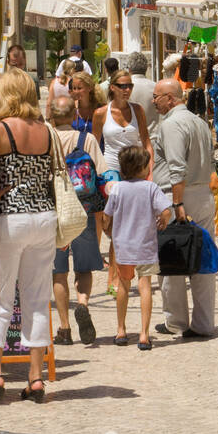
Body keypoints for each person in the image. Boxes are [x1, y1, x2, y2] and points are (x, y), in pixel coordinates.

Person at [0, 68, 57, 403]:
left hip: (9, 217)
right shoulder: (46, 130)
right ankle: (36, 376)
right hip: (44, 216)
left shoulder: (0, 129)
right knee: (37, 297)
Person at [152, 77, 216, 340]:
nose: (153, 101)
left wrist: (177, 204)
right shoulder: (199, 122)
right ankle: (204, 323)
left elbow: (176, 168)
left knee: (172, 258)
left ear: (171, 98)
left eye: (157, 96)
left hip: (179, 197)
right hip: (202, 194)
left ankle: (176, 322)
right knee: (202, 260)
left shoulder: (172, 125)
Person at [49, 96, 106, 345]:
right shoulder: (87, 139)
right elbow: (103, 175)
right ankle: (82, 303)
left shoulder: (43, 139)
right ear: (74, 116)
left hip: (54, 213)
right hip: (82, 212)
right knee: (83, 267)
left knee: (58, 272)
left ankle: (64, 328)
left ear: (50, 117)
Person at [103, 145, 170, 349]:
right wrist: (163, 221)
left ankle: (121, 330)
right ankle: (144, 334)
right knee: (145, 286)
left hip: (123, 247)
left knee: (123, 284)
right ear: (142, 167)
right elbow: (166, 210)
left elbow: (107, 216)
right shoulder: (151, 188)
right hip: (146, 246)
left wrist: (108, 232)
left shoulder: (118, 189)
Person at [93, 68, 153, 292]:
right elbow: (95, 144)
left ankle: (125, 274)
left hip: (136, 170)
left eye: (130, 86)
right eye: (123, 86)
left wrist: (150, 169)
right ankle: (115, 278)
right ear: (113, 88)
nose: (127, 90)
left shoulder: (138, 110)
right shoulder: (101, 113)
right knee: (117, 225)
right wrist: (99, 174)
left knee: (131, 224)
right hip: (112, 172)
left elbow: (146, 141)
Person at [127, 53, 158, 137]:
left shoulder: (124, 88)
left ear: (129, 69)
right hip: (152, 138)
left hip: (131, 140)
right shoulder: (156, 87)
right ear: (146, 68)